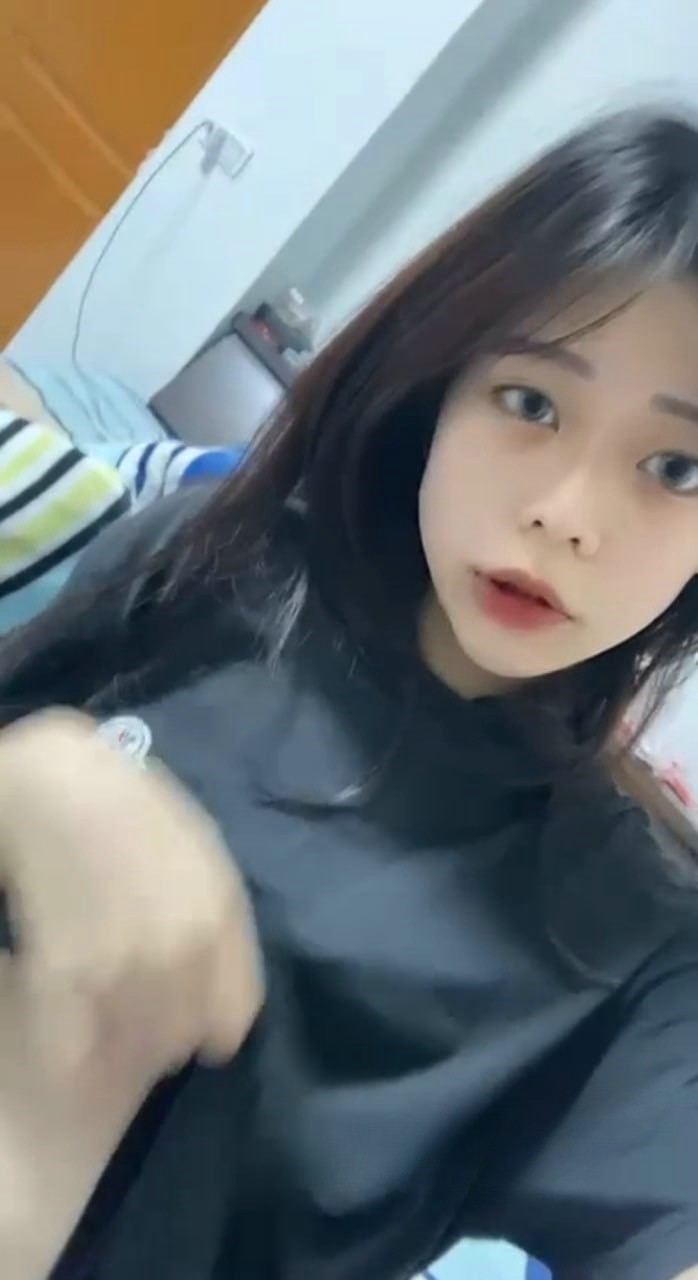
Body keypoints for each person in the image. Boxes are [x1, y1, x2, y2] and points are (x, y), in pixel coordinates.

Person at [1, 109, 698, 1280]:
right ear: (442, 383)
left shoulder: (633, 943)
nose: (564, 514)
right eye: (530, 402)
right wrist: (33, 775)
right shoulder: (215, 561)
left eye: (674, 467)